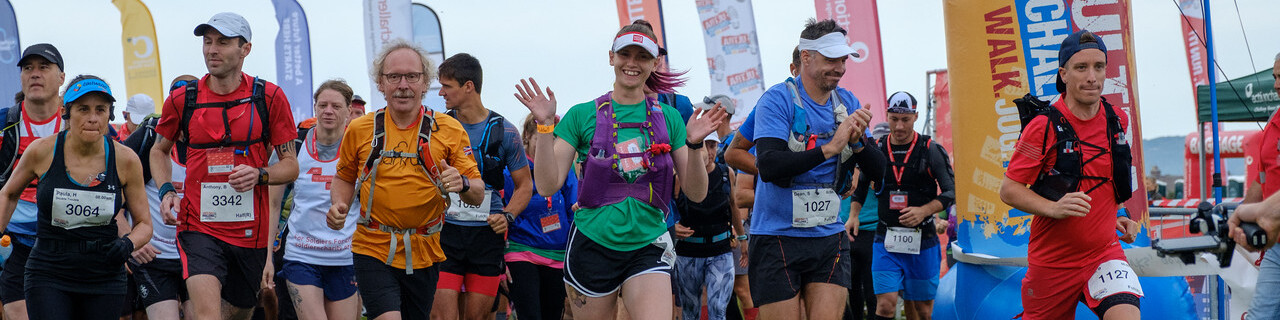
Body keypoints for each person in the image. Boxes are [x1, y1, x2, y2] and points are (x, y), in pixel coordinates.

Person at [514, 19, 726, 320]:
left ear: (655, 63)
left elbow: (696, 193)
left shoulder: (669, 118)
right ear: (611, 57)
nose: (632, 63)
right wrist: (545, 126)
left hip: (648, 244)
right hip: (592, 244)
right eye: (625, 54)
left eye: (642, 56)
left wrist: (694, 145)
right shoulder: (582, 115)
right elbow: (548, 185)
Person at [150, 12, 300, 320]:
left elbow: (291, 166)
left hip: (249, 231)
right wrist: (166, 191)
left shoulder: (268, 97)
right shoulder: (182, 99)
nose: (212, 50)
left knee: (240, 312)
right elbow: (158, 151)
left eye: (222, 42)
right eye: (207, 42)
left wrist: (260, 174)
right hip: (198, 226)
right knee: (207, 314)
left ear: (245, 49)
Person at [326, 39, 484, 320]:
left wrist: (463, 183)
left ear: (425, 83)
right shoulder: (360, 129)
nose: (403, 85)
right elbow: (345, 177)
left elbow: (478, 193)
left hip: (425, 251)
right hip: (372, 247)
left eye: (412, 76)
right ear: (380, 83)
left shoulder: (449, 129)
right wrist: (339, 204)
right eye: (394, 77)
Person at [999, 30, 1141, 320]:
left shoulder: (1118, 119)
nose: (1092, 77)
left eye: (1099, 67)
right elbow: (1009, 189)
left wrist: (1118, 213)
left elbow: (1106, 177)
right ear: (1063, 74)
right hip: (1053, 262)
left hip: (1104, 253)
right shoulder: (1043, 126)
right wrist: (1054, 208)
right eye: (1081, 68)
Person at [749, 19, 883, 320]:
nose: (840, 68)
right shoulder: (776, 99)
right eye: (831, 59)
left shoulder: (847, 101)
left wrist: (859, 142)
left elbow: (879, 170)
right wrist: (830, 148)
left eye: (843, 60)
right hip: (777, 236)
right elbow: (768, 166)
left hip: (828, 235)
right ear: (806, 57)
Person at [0, 75, 153, 319]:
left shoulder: (125, 159)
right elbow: (8, 194)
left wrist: (127, 244)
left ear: (110, 115)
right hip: (49, 271)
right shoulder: (42, 151)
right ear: (66, 113)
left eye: (100, 109)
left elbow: (144, 224)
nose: (93, 118)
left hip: (104, 274)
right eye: (83, 109)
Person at [432, 52, 532, 320]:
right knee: (441, 317)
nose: (441, 92)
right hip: (445, 232)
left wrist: (507, 216)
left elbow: (525, 185)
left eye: (446, 86)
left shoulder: (505, 131)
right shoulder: (437, 128)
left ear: (468, 86)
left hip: (486, 235)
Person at [849, 92, 953, 320]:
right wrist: (853, 215)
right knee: (885, 305)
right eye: (894, 119)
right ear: (887, 115)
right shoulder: (877, 148)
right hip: (885, 239)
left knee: (923, 310)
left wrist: (924, 211)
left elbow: (951, 191)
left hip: (922, 239)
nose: (898, 126)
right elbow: (862, 184)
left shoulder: (930, 149)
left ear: (916, 116)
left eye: (905, 120)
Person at [269, 80, 360, 320]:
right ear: (315, 108)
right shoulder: (294, 146)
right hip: (301, 255)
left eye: (336, 106)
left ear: (349, 111)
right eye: (322, 105)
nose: (328, 111)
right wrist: (267, 258)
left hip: (345, 257)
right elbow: (272, 204)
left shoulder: (360, 149)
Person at [121, 77, 199, 320]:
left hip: (198, 255)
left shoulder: (213, 139)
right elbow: (111, 197)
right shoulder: (148, 137)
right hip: (154, 256)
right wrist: (131, 241)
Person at [0, 43, 68, 320]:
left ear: (61, 78)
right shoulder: (5, 123)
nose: (35, 74)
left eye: (43, 67)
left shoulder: (78, 124)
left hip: (67, 241)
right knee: (16, 311)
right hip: (14, 240)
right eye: (28, 68)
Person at [502, 114, 576, 320]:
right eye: (541, 139)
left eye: (553, 140)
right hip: (521, 251)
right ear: (527, 135)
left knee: (552, 315)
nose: (547, 146)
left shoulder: (564, 168)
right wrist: (500, 259)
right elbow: (503, 213)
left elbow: (573, 210)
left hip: (557, 255)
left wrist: (573, 254)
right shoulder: (512, 169)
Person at [1232, 52, 1280, 320]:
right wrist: (1241, 213)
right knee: (1260, 316)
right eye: (1275, 77)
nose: (1276, 84)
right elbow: (1262, 177)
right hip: (1276, 245)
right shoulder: (1274, 120)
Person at [673, 132, 741, 320]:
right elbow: (664, 208)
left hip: (720, 250)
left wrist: (742, 237)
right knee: (690, 312)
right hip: (688, 252)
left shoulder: (726, 173)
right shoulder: (678, 177)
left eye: (712, 146)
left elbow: (733, 204)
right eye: (703, 145)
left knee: (718, 309)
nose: (709, 152)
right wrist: (672, 226)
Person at [844, 122, 888, 320]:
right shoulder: (848, 158)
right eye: (875, 141)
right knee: (850, 290)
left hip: (873, 231)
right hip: (846, 231)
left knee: (873, 292)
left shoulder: (881, 167)